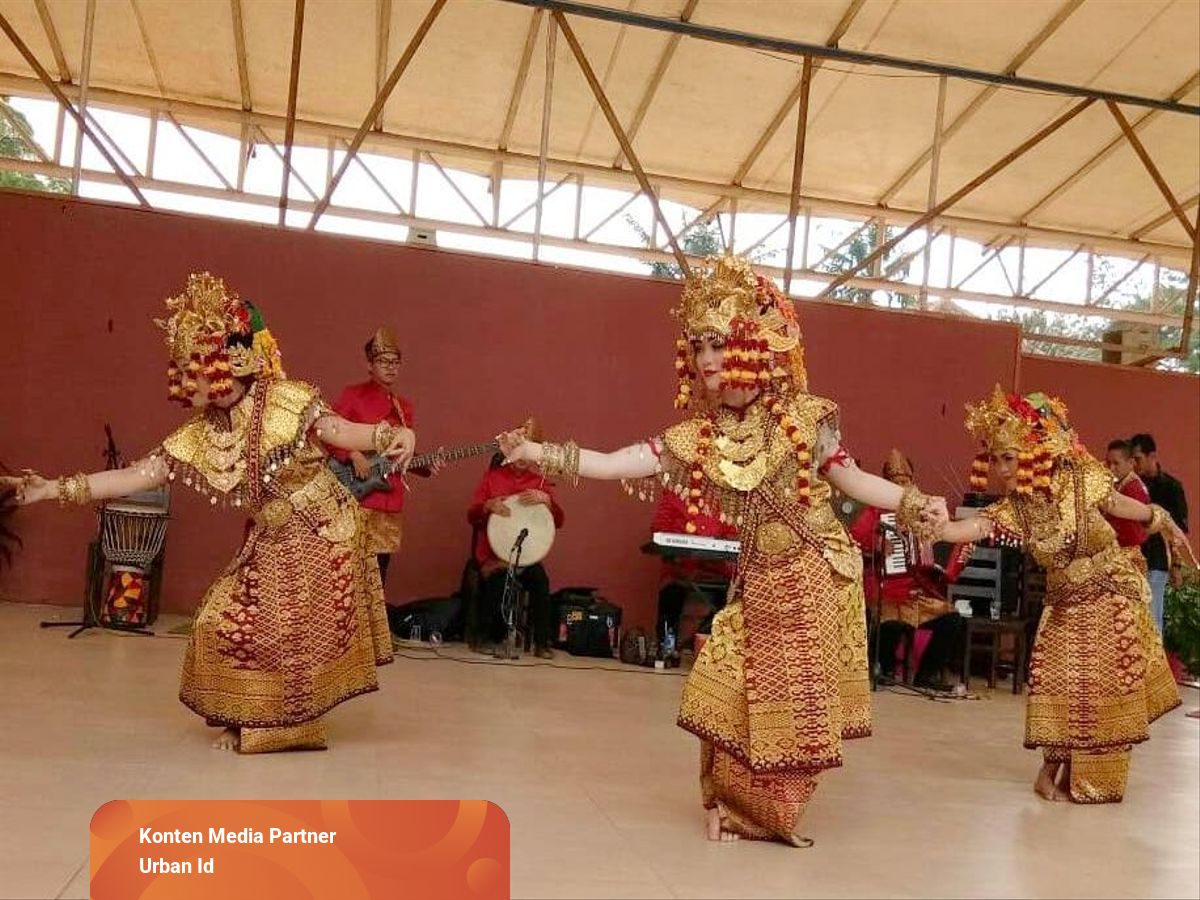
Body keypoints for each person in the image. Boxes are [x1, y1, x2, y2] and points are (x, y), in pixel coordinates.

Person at [497, 255, 946, 845]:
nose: (707, 359)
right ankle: (737, 802)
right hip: (760, 575)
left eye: (718, 344)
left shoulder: (804, 419)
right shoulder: (697, 437)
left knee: (796, 702)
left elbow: (855, 481)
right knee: (733, 683)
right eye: (698, 347)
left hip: (816, 569)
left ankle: (766, 815)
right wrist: (536, 452)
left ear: (748, 346)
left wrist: (914, 502)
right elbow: (611, 462)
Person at [2, 273, 413, 754]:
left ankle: (285, 726)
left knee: (289, 637)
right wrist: (52, 488)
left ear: (220, 365)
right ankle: (253, 715)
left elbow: (342, 431)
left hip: (324, 531)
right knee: (217, 620)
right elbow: (136, 475)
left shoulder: (286, 398)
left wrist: (392, 436)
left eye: (188, 366)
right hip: (272, 538)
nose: (179, 378)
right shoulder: (197, 433)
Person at [936, 387, 1183, 802]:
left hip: (1110, 594)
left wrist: (1164, 519)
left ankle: (1091, 779)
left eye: (1009, 458)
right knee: (1066, 686)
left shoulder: (1080, 478)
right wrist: (937, 524)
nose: (1000, 469)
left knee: (1108, 689)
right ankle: (1051, 767)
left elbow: (1120, 504)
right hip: (1067, 603)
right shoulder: (1014, 509)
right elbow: (970, 529)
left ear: (1033, 454)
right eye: (994, 459)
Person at [849, 449, 961, 689]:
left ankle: (927, 674)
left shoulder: (922, 512)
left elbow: (942, 539)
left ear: (912, 482)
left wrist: (936, 567)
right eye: (895, 483)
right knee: (889, 621)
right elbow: (854, 542)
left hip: (916, 593)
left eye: (905, 482)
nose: (901, 487)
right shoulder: (874, 511)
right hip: (884, 592)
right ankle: (882, 667)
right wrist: (876, 546)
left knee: (951, 619)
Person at [466, 419, 564, 659]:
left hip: (526, 556)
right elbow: (471, 515)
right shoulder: (492, 478)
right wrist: (488, 506)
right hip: (493, 554)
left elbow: (558, 521)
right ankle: (482, 638)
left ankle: (542, 642)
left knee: (540, 581)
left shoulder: (539, 483)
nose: (523, 456)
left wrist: (548, 501)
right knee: (498, 581)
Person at [330, 327, 420, 586]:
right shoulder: (352, 395)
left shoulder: (404, 408)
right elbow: (328, 431)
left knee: (380, 573)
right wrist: (352, 453)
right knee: (351, 571)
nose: (390, 368)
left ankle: (376, 627)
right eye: (383, 361)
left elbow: (396, 455)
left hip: (389, 497)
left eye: (395, 362)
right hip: (358, 494)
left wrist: (423, 466)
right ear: (369, 365)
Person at [651, 482, 736, 652]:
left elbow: (732, 532)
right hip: (680, 568)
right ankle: (667, 647)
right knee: (671, 591)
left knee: (725, 600)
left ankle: (714, 647)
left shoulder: (726, 497)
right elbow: (659, 526)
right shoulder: (675, 492)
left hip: (715, 570)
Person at [1129, 433, 1190, 633]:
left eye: (1137, 459)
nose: (1134, 464)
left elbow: (1179, 532)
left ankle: (1154, 664)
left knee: (1152, 619)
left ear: (1151, 456)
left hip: (1155, 562)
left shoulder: (1171, 488)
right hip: (1129, 562)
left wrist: (1177, 565)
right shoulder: (1131, 487)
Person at [1103, 439, 1150, 552]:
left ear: (1131, 463)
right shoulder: (1119, 483)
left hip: (1128, 552)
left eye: (1116, 463)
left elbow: (1131, 532)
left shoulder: (1133, 488)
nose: (1111, 468)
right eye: (1108, 463)